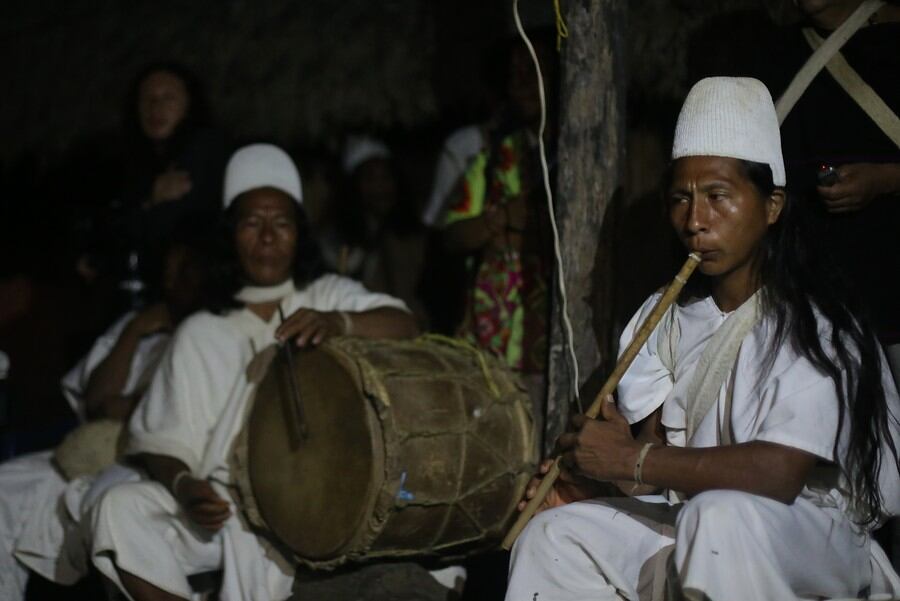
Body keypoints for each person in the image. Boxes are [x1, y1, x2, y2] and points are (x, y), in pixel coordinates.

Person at [505, 77, 900, 600]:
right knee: (555, 536)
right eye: (681, 199)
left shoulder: (817, 322)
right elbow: (654, 461)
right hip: (697, 518)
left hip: (809, 533)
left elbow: (781, 473)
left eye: (718, 197)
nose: (695, 221)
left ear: (772, 205)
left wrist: (632, 461)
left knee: (719, 517)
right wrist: (590, 478)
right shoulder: (665, 315)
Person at [88, 143, 419, 601]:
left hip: (316, 502)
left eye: (281, 223)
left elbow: (404, 324)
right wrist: (186, 488)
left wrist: (340, 323)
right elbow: (160, 439)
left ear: (298, 234)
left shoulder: (325, 296)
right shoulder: (202, 330)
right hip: (223, 510)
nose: (267, 237)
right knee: (117, 508)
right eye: (251, 222)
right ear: (231, 235)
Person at [0, 230, 210, 600]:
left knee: (108, 507)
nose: (171, 278)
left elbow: (160, 412)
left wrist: (127, 405)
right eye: (169, 268)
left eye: (185, 268)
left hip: (152, 460)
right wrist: (136, 329)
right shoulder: (145, 324)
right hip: (96, 446)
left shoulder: (211, 334)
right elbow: (99, 401)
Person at [441, 33, 557, 390]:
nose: (520, 81)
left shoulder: (583, 159)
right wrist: (501, 218)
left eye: (533, 68)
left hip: (554, 349)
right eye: (514, 72)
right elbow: (452, 236)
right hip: (490, 348)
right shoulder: (497, 156)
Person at [319, 136, 427, 322]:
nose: (380, 187)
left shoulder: (413, 235)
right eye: (370, 178)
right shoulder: (336, 239)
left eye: (385, 178)